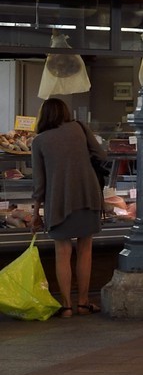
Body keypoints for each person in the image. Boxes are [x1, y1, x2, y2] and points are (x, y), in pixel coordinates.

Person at [29, 97, 107, 317]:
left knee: (62, 252)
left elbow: (39, 183)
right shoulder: (80, 128)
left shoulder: (40, 141)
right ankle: (83, 303)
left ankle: (66, 306)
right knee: (85, 250)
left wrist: (36, 214)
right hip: (87, 194)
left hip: (59, 200)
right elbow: (101, 155)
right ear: (65, 112)